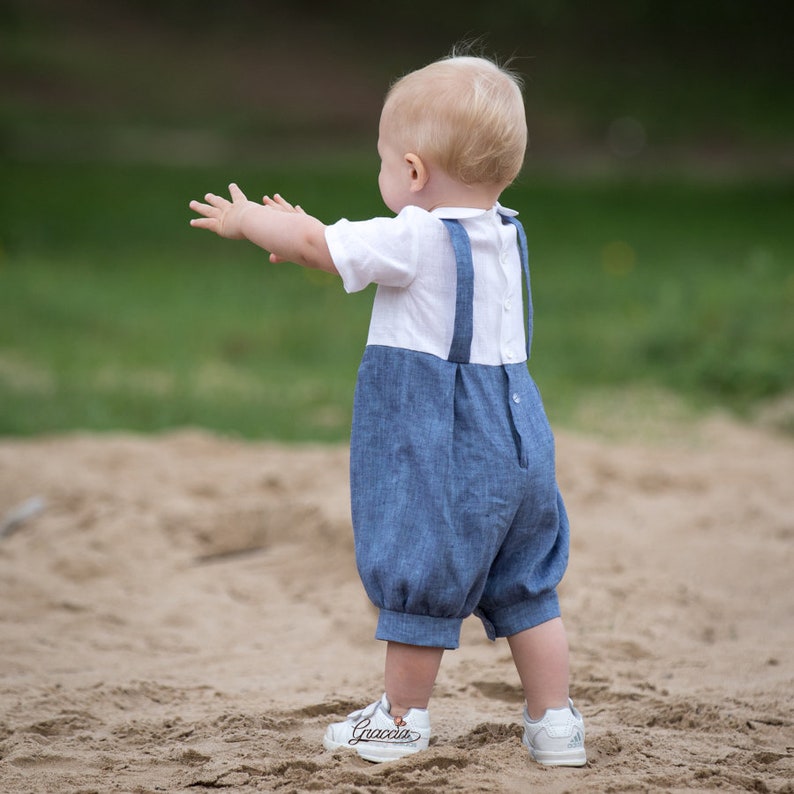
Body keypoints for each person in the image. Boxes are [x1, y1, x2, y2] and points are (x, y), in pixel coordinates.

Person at [189, 52, 586, 768]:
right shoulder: (503, 230)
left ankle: (400, 720)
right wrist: (310, 234)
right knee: (528, 584)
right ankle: (554, 721)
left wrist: (249, 222)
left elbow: (318, 247)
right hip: (522, 437)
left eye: (381, 161)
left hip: (447, 442)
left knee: (418, 570)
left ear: (411, 172)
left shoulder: (416, 237)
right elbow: (326, 242)